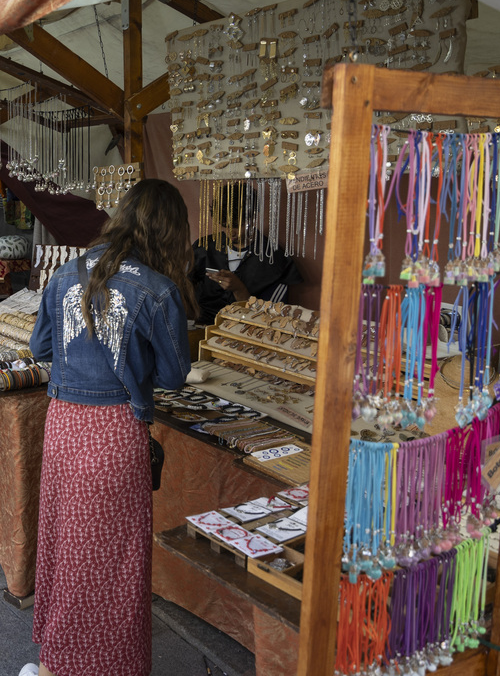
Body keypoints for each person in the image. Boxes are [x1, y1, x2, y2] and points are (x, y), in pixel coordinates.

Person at [22, 179, 196, 676]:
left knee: (67, 546)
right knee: (113, 562)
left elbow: (40, 350)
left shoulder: (66, 274)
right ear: (168, 232)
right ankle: (104, 666)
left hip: (64, 427)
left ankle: (57, 661)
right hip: (115, 432)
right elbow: (173, 375)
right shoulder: (157, 290)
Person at [191, 185, 301, 325]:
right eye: (225, 225)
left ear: (253, 217)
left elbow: (272, 320)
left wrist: (239, 289)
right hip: (202, 330)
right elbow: (184, 289)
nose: (231, 232)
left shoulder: (273, 259)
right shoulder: (204, 248)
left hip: (247, 336)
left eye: (236, 225)